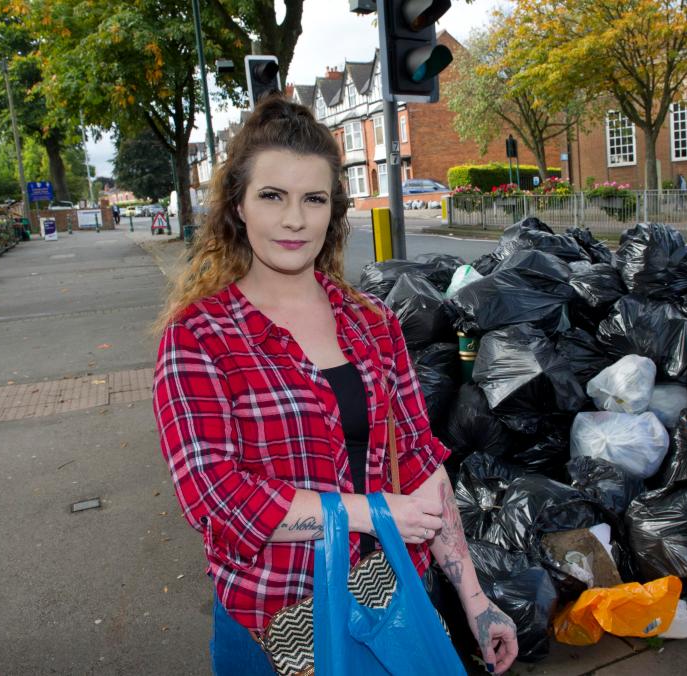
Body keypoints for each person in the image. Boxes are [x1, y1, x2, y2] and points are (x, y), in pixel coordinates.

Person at [152, 94, 518, 676]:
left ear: (332, 211)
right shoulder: (200, 337)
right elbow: (215, 498)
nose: (294, 219)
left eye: (313, 199)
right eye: (273, 196)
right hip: (274, 620)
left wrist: (475, 600)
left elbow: (422, 463)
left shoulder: (372, 322)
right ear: (239, 207)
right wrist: (372, 513)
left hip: (389, 599)